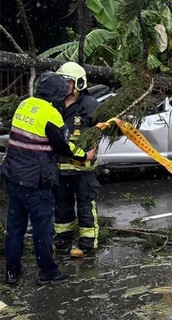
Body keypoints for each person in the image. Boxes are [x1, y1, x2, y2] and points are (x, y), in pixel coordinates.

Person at [1, 72, 95, 286]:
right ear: (56, 95)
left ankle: (12, 273)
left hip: (13, 178)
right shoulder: (51, 114)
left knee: (15, 226)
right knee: (43, 228)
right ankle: (48, 272)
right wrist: (84, 155)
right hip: (35, 182)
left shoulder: (24, 105)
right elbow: (63, 145)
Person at [54, 62, 100, 258]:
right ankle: (62, 241)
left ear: (78, 83)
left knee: (85, 207)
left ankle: (87, 245)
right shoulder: (54, 104)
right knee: (62, 208)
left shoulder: (91, 106)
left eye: (67, 82)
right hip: (60, 169)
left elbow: (102, 129)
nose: (63, 86)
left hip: (84, 170)